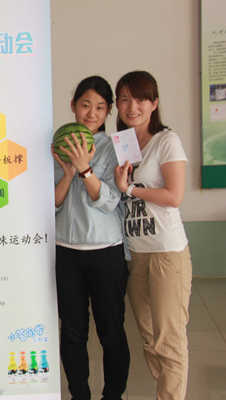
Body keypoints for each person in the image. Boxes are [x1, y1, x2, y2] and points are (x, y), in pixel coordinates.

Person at [114, 71, 191, 400]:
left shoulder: (166, 141)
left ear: (154, 103)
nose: (132, 106)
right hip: (136, 255)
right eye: (125, 99)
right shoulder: (122, 144)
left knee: (168, 340)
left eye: (141, 99)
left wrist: (130, 188)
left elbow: (174, 196)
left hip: (166, 252)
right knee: (150, 338)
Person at [53, 76, 130, 400]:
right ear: (73, 105)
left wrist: (85, 170)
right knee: (72, 332)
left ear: (109, 111)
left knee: (111, 332)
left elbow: (112, 201)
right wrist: (69, 173)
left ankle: (113, 396)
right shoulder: (57, 144)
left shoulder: (117, 147)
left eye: (100, 107)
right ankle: (79, 395)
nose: (91, 113)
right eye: (85, 104)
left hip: (106, 251)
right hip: (65, 251)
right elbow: (51, 203)